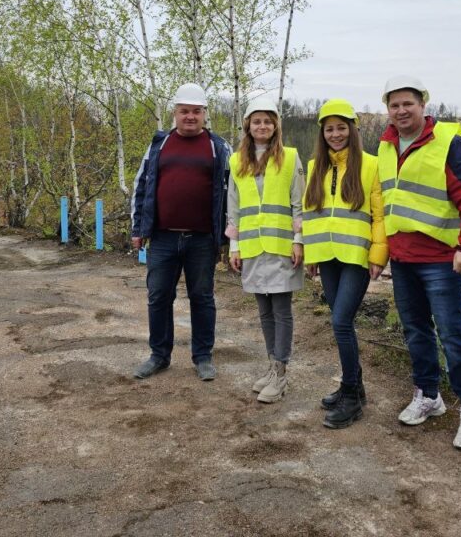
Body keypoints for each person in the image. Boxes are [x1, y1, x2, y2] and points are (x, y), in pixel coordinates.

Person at [378, 75, 461, 451]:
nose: (401, 111)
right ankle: (428, 395)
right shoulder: (386, 144)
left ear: (423, 104)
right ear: (388, 109)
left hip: (441, 260)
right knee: (416, 331)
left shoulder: (449, 142)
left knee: (453, 334)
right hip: (402, 258)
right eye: (394, 105)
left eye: (407, 103)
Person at [130, 83, 231, 381]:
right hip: (163, 237)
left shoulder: (219, 147)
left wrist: (229, 237)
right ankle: (159, 356)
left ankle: (203, 357)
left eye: (196, 111)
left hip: (202, 240)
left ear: (204, 114)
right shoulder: (159, 145)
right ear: (174, 112)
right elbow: (141, 186)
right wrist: (138, 228)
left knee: (202, 298)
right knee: (159, 297)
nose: (190, 116)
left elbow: (232, 194)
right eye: (184, 111)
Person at [302, 99, 387, 429]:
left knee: (340, 321)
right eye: (329, 129)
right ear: (322, 133)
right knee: (342, 323)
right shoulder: (315, 166)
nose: (335, 134)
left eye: (341, 128)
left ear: (352, 130)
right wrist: (312, 254)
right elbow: (311, 214)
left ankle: (351, 396)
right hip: (327, 256)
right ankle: (355, 387)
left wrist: (377, 254)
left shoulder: (371, 164)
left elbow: (379, 215)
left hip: (356, 256)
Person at [226, 95, 305, 403]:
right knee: (264, 311)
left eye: (268, 121)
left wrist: (298, 240)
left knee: (281, 311)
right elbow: (234, 208)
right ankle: (272, 366)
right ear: (248, 125)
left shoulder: (291, 157)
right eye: (257, 121)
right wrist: (234, 246)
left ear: (276, 126)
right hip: (252, 247)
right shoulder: (236, 161)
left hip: (282, 247)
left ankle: (281, 372)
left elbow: (299, 203)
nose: (262, 126)